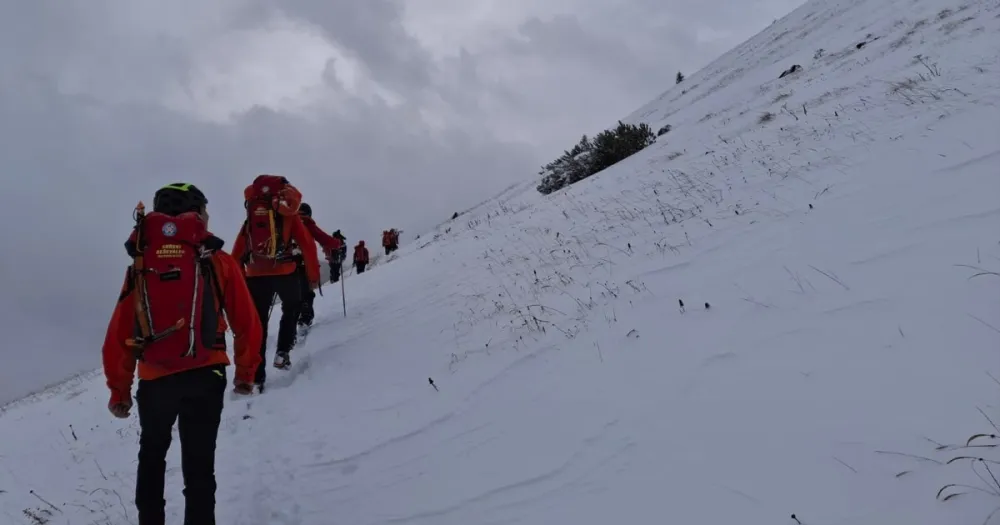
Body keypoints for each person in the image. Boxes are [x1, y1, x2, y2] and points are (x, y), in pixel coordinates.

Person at [103, 182, 263, 525]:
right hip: (208, 374)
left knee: (152, 456)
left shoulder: (141, 265)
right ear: (196, 213)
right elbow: (247, 321)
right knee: (200, 464)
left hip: (155, 378)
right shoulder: (217, 260)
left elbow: (121, 330)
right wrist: (246, 374)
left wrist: (119, 390)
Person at [231, 175, 320, 388]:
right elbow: (307, 245)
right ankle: (282, 352)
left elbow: (237, 252)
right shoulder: (289, 214)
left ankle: (257, 376)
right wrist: (313, 276)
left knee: (258, 323)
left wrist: (239, 281)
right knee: (292, 308)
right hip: (285, 272)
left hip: (255, 275)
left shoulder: (251, 216)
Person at [295, 202, 340, 330]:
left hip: (286, 265)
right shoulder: (307, 223)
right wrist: (337, 243)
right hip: (304, 264)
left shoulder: (288, 222)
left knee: (293, 295)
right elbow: (323, 238)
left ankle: (292, 323)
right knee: (307, 293)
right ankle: (304, 320)